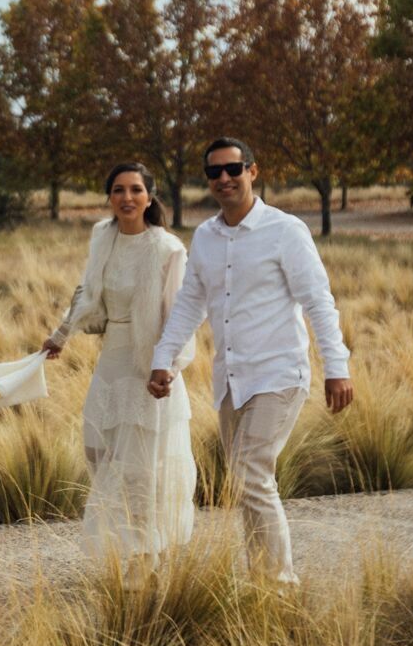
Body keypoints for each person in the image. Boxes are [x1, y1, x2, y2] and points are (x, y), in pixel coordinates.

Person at [148, 138, 352, 584]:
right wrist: (164, 358)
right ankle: (261, 580)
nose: (224, 178)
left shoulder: (285, 230)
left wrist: (337, 368)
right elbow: (189, 304)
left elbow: (318, 301)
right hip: (231, 380)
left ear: (253, 172)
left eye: (233, 169)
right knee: (245, 481)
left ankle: (278, 586)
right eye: (214, 172)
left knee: (249, 471)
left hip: (279, 374)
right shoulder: (205, 237)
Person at [43, 162, 198, 564]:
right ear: (109, 197)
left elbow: (180, 316)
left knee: (141, 466)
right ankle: (127, 543)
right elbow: (87, 291)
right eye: (118, 190)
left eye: (135, 190)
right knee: (99, 452)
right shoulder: (103, 236)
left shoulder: (167, 249)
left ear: (150, 196)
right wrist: (61, 335)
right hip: (110, 362)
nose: (127, 198)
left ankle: (143, 556)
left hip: (149, 366)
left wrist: (168, 368)